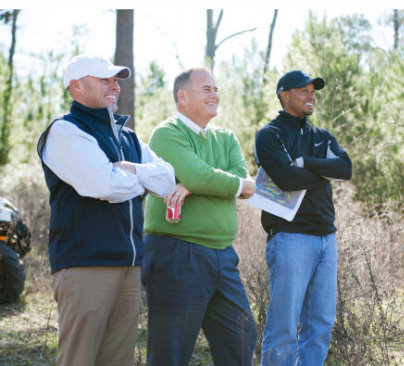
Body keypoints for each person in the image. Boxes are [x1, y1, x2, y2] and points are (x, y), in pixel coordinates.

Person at [36, 54, 175, 366]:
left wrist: (122, 168)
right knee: (79, 360)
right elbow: (104, 187)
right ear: (76, 87)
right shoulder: (64, 131)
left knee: (118, 361)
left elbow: (167, 180)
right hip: (85, 266)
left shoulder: (130, 138)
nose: (114, 86)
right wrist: (140, 177)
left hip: (129, 266)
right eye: (105, 79)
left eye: (116, 80)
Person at [141, 67, 257, 366]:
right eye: (207, 89)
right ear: (183, 96)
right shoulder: (166, 134)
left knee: (241, 337)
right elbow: (205, 177)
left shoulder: (226, 138)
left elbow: (248, 187)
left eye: (216, 89)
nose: (215, 94)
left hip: (223, 255)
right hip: (177, 253)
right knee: (170, 351)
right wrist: (203, 182)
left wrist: (192, 187)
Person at [255, 70, 352, 365]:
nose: (311, 96)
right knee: (283, 327)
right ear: (285, 95)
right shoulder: (269, 135)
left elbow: (345, 169)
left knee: (320, 326)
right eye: (303, 91)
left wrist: (305, 163)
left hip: (327, 238)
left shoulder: (322, 137)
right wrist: (323, 171)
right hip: (290, 238)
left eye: (313, 91)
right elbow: (286, 178)